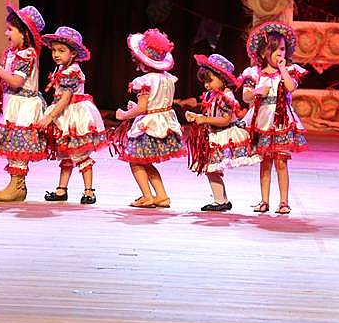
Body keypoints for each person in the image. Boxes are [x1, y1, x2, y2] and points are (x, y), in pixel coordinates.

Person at [0, 4, 48, 202]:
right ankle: (16, 185)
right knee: (12, 145)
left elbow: (17, 81)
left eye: (10, 29)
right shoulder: (12, 52)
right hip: (13, 103)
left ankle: (17, 186)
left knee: (19, 146)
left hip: (23, 106)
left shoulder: (27, 54)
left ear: (24, 33)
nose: (6, 33)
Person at [240, 22, 307, 215]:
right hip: (262, 121)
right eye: (275, 49)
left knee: (281, 162)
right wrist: (256, 91)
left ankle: (284, 202)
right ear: (263, 53)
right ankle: (264, 201)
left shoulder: (289, 70)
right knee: (265, 162)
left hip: (281, 121)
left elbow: (291, 87)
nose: (279, 53)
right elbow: (245, 97)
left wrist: (283, 69)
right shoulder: (254, 73)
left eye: (283, 49)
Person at [113, 29, 184, 208]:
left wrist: (124, 115)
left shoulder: (144, 80)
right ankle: (161, 196)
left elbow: (143, 107)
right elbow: (155, 103)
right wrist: (136, 108)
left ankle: (147, 196)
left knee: (135, 161)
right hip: (163, 123)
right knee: (146, 162)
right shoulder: (168, 79)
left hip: (149, 126)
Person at [38, 27, 107, 204]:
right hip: (65, 114)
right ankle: (61, 189)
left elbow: (65, 98)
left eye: (61, 50)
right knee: (66, 154)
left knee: (80, 154)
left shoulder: (71, 71)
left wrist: (50, 117)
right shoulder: (62, 69)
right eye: (54, 50)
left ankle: (89, 191)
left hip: (74, 115)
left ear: (73, 53)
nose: (56, 54)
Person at [183, 53, 257, 211]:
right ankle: (222, 200)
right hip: (214, 134)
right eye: (204, 82)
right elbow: (212, 114)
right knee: (212, 169)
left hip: (222, 135)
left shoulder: (226, 97)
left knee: (211, 168)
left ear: (222, 78)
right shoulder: (213, 94)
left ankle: (220, 201)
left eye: (209, 81)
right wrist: (197, 116)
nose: (206, 86)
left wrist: (204, 119)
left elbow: (225, 120)